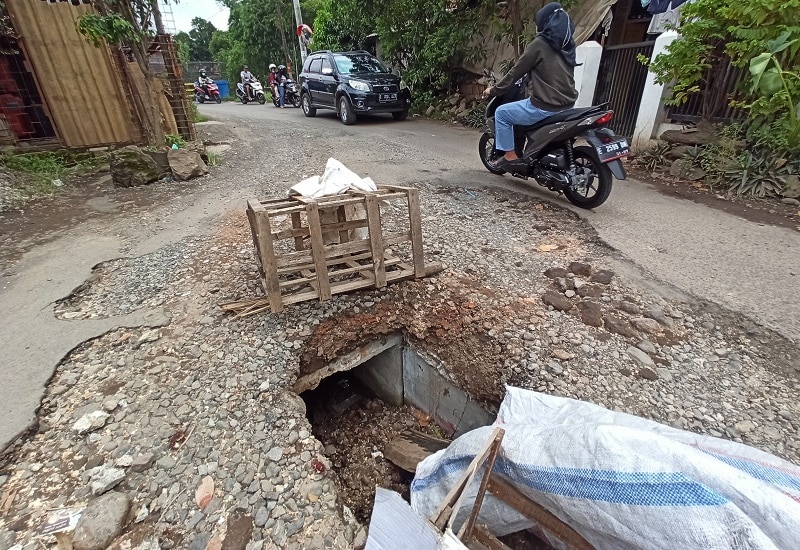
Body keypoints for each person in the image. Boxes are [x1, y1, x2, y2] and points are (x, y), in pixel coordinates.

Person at [484, 2, 579, 171]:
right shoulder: (567, 45)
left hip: (545, 106)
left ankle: (510, 156)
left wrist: (494, 89)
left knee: (501, 114)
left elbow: (515, 73)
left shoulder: (540, 44)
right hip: (568, 105)